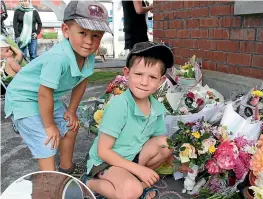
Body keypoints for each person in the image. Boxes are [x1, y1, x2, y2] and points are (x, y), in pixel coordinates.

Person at [4, 0, 111, 175]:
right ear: (66, 30)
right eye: (82, 32)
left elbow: (82, 81)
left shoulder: (88, 56)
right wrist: (49, 126)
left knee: (71, 126)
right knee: (48, 140)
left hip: (46, 97)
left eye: (96, 36)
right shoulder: (58, 58)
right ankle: (51, 183)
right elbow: (44, 93)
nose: (89, 41)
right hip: (23, 98)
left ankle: (66, 169)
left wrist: (72, 110)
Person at [82, 42, 191, 199]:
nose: (144, 82)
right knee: (132, 191)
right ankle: (90, 183)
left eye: (152, 77)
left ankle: (133, 183)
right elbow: (103, 151)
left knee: (165, 144)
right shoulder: (120, 105)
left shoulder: (156, 107)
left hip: (132, 156)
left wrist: (177, 163)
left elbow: (159, 141)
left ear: (160, 82)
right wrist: (140, 170)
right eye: (138, 74)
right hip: (106, 162)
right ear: (127, 73)